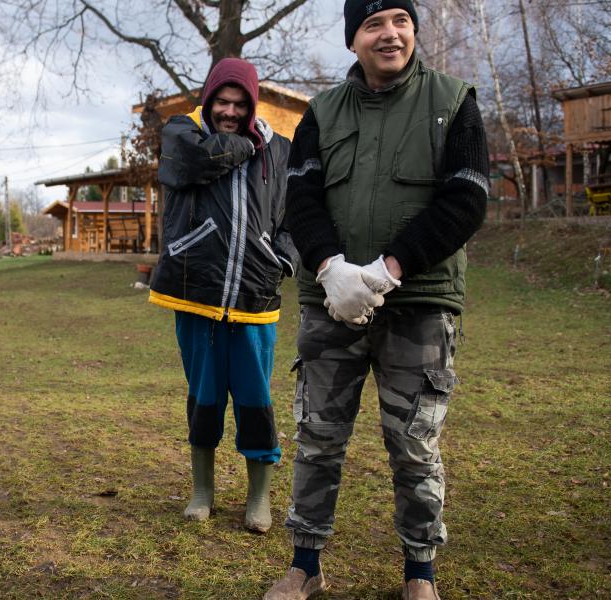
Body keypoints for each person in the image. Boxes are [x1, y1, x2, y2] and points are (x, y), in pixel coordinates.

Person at [263, 1, 488, 598]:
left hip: (418, 304)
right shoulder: (320, 112)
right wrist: (331, 269)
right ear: (352, 39)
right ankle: (304, 566)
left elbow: (467, 199)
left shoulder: (453, 101)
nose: (389, 34)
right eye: (373, 23)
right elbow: (300, 198)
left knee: (414, 443)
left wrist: (388, 270)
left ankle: (420, 574)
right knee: (317, 436)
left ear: (413, 29)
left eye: (400, 19)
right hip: (330, 302)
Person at [148, 58, 296, 533]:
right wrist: (250, 139)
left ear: (252, 104)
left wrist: (282, 256)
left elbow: (295, 212)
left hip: (256, 292)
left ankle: (259, 497)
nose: (229, 112)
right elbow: (194, 165)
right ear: (208, 99)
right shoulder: (181, 134)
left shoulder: (281, 150)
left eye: (240, 104)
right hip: (196, 289)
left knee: (256, 398)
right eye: (222, 102)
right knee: (204, 395)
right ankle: (202, 491)